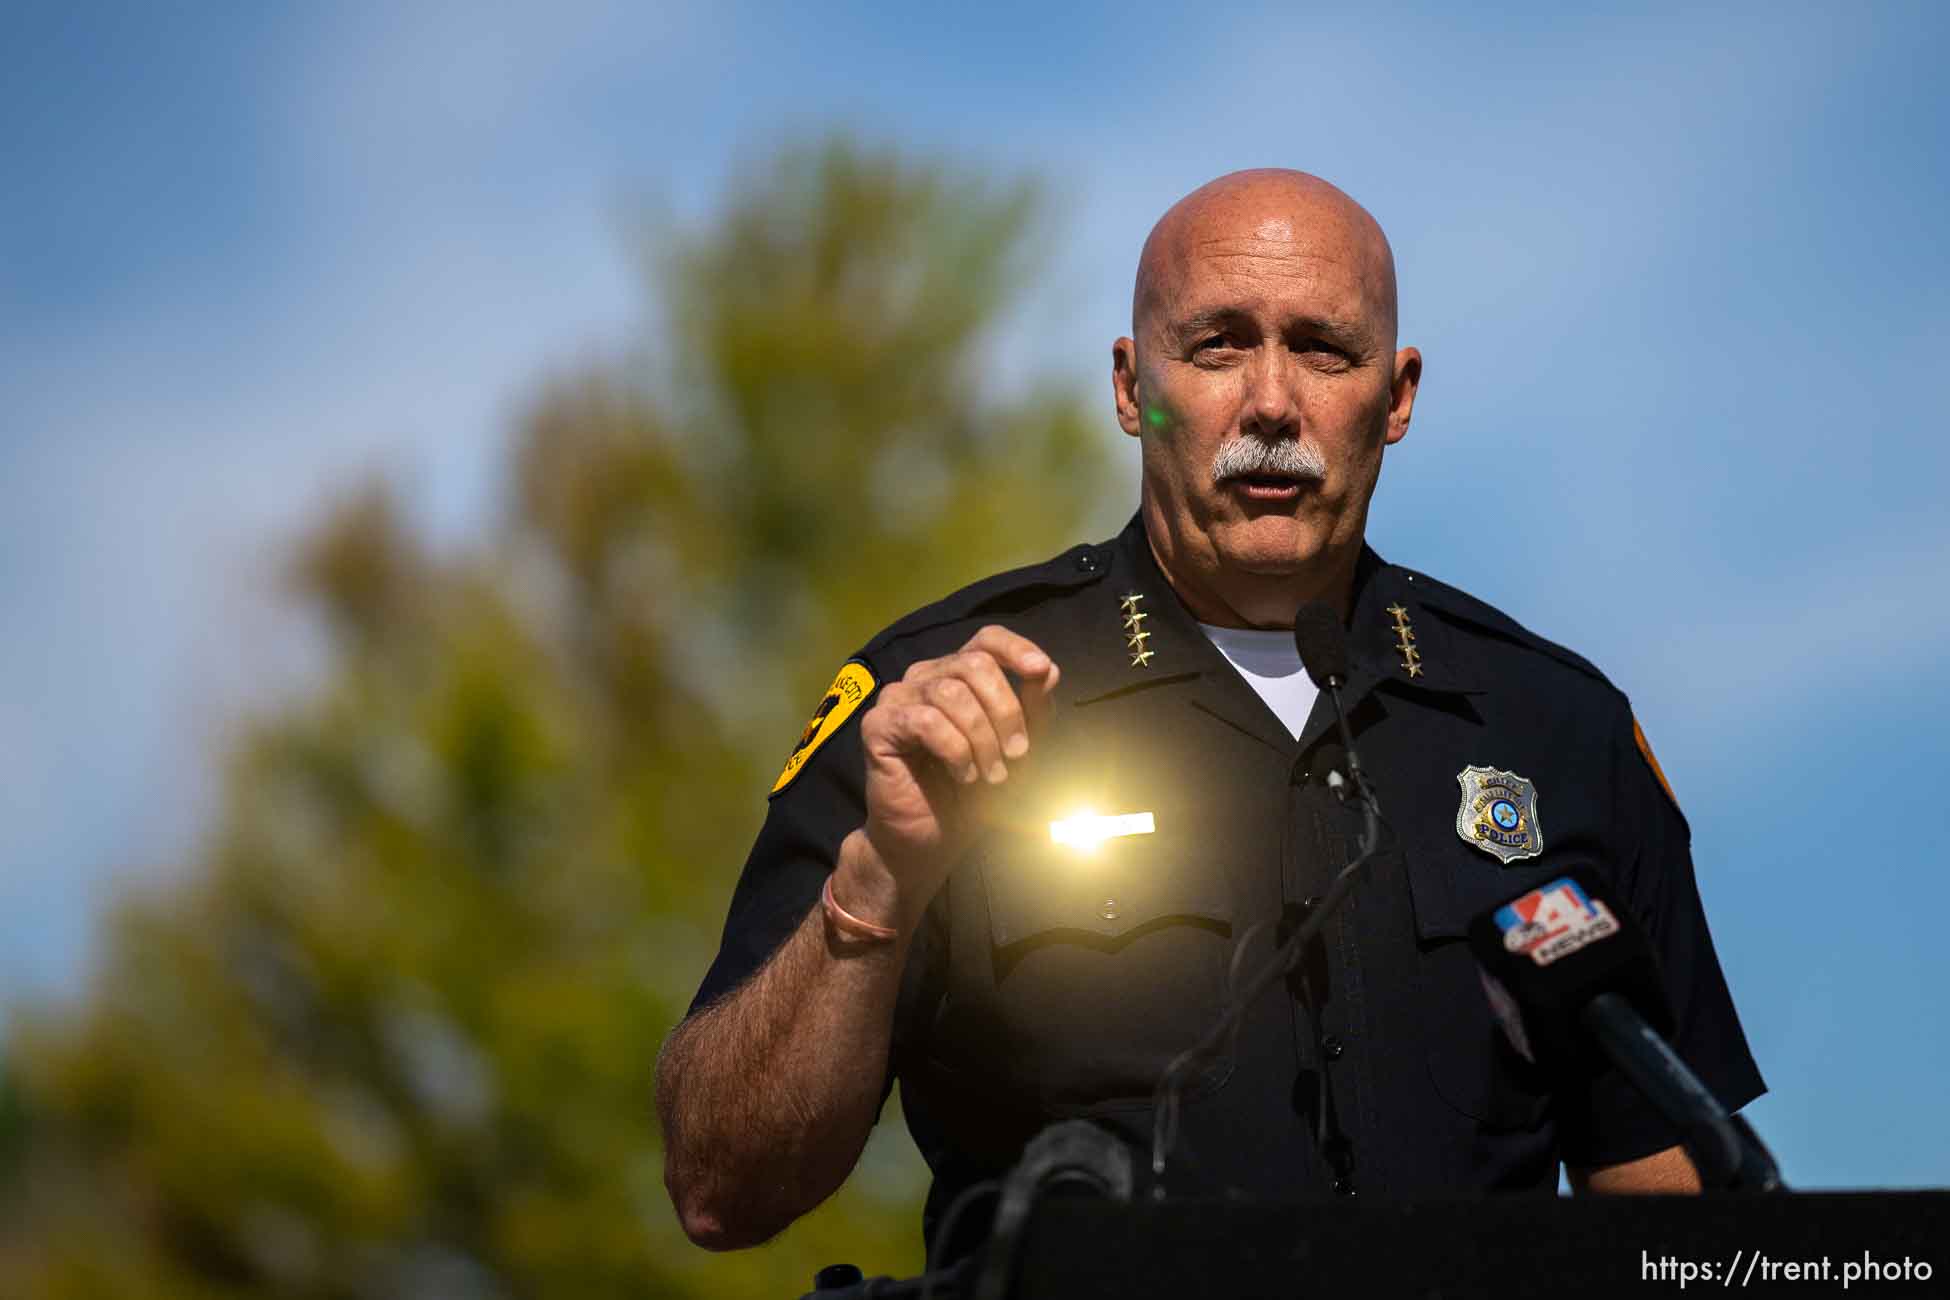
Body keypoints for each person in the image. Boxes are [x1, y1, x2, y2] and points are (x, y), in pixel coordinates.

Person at [655, 170, 1765, 1254]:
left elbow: (1679, 1210)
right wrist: (879, 882)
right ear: (1134, 387)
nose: (1273, 402)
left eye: (1324, 348)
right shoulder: (945, 700)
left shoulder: (1550, 725)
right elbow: (722, 1187)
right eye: (1219, 343)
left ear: (1399, 396)